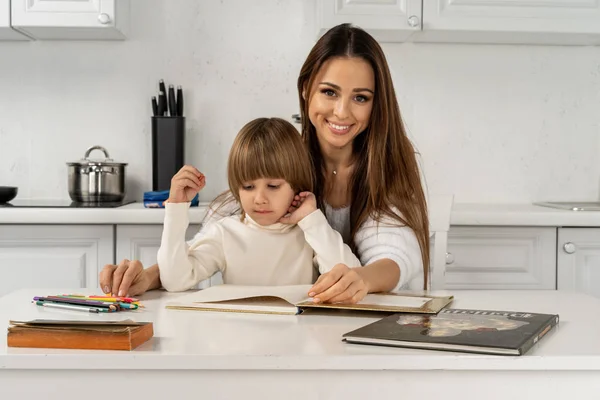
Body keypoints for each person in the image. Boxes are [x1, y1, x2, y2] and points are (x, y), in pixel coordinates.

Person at [99, 23, 429, 303]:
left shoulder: (387, 166)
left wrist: (363, 280)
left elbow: (396, 256)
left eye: (360, 97)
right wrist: (150, 276)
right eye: (329, 92)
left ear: (376, 104)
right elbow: (219, 237)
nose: (342, 111)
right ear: (306, 90)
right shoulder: (281, 162)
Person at [155, 117, 362, 302]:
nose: (260, 199)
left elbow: (351, 277)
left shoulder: (309, 232)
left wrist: (311, 219)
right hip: (239, 338)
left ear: (296, 185)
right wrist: (176, 208)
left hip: (297, 338)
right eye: (248, 187)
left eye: (273, 186)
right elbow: (175, 280)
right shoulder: (225, 233)